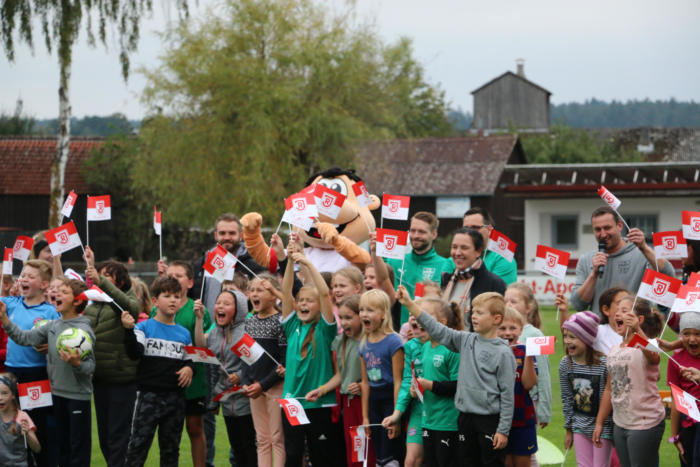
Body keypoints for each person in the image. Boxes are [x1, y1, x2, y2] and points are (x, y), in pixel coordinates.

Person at [398, 286, 516, 467]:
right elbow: (437, 329)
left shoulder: (504, 353)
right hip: (465, 418)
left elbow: (508, 395)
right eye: (473, 312)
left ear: (496, 319)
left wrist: (503, 430)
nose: (474, 316)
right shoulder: (466, 340)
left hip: (489, 421)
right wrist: (409, 304)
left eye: (480, 313)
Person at [1, 277, 95, 467]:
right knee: (61, 446)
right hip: (56, 394)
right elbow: (24, 338)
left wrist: (77, 363)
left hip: (77, 397)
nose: (57, 294)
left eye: (64, 292)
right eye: (57, 291)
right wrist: (4, 318)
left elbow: (90, 368)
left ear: (77, 301)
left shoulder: (83, 330)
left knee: (78, 448)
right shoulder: (52, 326)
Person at [121, 276, 195, 467]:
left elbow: (190, 360)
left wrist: (189, 368)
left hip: (175, 399)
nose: (173, 300)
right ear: (155, 301)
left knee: (171, 451)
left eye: (177, 296)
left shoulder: (184, 333)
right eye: (167, 295)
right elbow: (134, 353)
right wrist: (128, 331)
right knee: (138, 447)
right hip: (148, 396)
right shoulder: (143, 327)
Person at [281, 234, 340, 466]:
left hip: (319, 403)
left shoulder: (326, 330)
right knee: (293, 455)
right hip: (292, 402)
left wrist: (305, 262)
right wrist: (290, 260)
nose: (303, 304)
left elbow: (324, 292)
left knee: (320, 455)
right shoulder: (293, 325)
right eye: (301, 300)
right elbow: (286, 292)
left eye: (309, 301)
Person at [83, 248, 141, 467]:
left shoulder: (127, 297)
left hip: (121, 380)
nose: (103, 279)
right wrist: (90, 263)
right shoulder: (93, 303)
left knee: (119, 437)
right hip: (99, 380)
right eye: (101, 275)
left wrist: (103, 283)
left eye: (109, 276)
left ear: (121, 280)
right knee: (105, 437)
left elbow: (131, 308)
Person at [593, 295, 666, 467]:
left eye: (625, 311)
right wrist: (599, 422)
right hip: (621, 423)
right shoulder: (614, 350)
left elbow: (654, 356)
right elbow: (610, 389)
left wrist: (637, 331)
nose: (618, 314)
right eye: (617, 310)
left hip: (645, 422)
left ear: (639, 319)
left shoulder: (646, 346)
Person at [1, 259, 60, 467]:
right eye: (23, 275)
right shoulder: (10, 303)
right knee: (10, 423)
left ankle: (44, 462)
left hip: (37, 375)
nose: (24, 278)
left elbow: (60, 340)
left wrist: (50, 345)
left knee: (37, 425)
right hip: (11, 374)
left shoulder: (50, 312)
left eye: (31, 276)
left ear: (44, 284)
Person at [308, 295, 376, 467]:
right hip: (348, 404)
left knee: (368, 451)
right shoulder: (340, 342)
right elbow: (340, 375)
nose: (344, 323)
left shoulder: (370, 342)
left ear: (360, 317)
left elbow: (378, 374)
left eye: (349, 318)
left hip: (366, 402)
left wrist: (362, 385)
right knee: (354, 449)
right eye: (342, 318)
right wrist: (322, 390)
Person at [154, 261, 210, 467]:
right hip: (164, 382)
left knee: (195, 428)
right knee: (168, 432)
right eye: (170, 275)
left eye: (179, 276)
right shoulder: (156, 309)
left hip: (193, 382)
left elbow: (202, 348)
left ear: (190, 282)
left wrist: (198, 319)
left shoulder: (197, 308)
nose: (174, 279)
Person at [570, 206, 674, 315]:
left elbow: (668, 275)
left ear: (619, 226)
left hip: (634, 328)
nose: (603, 234)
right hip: (600, 329)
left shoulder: (641, 254)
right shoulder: (586, 259)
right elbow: (578, 305)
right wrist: (594, 274)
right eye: (598, 229)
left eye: (607, 228)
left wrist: (644, 248)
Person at [206, 289, 257, 466]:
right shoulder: (213, 334)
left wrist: (241, 376)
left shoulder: (247, 331)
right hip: (227, 402)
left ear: (239, 308)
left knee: (250, 448)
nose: (220, 306)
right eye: (218, 302)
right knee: (236, 448)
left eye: (227, 304)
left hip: (247, 400)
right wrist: (213, 401)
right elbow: (213, 369)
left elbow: (257, 363)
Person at [242, 275, 287, 467]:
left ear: (273, 294)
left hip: (275, 386)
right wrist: (246, 381)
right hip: (255, 389)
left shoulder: (281, 322)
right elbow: (246, 357)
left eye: (260, 290)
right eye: (252, 290)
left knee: (277, 437)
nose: (254, 294)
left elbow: (283, 363)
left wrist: (263, 384)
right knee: (262, 438)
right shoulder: (250, 322)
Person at [560, 311, 614, 467]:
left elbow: (607, 396)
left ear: (587, 339)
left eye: (573, 337)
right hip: (579, 426)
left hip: (603, 427)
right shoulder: (566, 364)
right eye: (565, 336)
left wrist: (601, 424)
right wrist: (569, 429)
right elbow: (567, 398)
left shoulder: (604, 365)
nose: (567, 341)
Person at [359, 289, 405, 466]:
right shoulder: (364, 342)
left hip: (390, 400)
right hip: (373, 402)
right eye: (362, 309)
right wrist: (365, 418)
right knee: (379, 453)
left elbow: (398, 381)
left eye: (370, 310)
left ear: (384, 314)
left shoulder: (394, 341)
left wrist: (396, 415)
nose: (364, 314)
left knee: (390, 453)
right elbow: (365, 383)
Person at [383, 212, 453, 326]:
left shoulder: (446, 265)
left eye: (421, 232)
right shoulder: (395, 261)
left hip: (430, 332)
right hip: (399, 333)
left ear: (434, 234)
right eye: (413, 230)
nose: (415, 236)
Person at [414, 298, 462, 467]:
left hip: (448, 422)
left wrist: (430, 385)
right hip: (429, 420)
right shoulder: (426, 347)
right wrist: (417, 389)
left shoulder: (453, 349)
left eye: (425, 315)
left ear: (442, 323)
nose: (419, 319)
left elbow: (459, 386)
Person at [382, 312, 430, 467]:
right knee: (410, 461)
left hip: (442, 412)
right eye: (410, 313)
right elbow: (407, 381)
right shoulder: (409, 346)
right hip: (419, 411)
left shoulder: (447, 345)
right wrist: (397, 414)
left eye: (419, 313)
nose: (414, 317)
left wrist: (428, 386)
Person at [504, 283, 552, 434]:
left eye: (514, 301)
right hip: (506, 398)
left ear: (529, 307)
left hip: (529, 400)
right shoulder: (500, 331)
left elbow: (544, 374)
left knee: (527, 451)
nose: (508, 304)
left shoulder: (535, 335)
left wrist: (544, 409)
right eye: (505, 301)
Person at [497, 307, 538, 467]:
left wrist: (528, 357)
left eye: (513, 328)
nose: (508, 333)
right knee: (504, 462)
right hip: (498, 421)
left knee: (522, 462)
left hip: (523, 418)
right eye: (502, 328)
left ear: (521, 330)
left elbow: (528, 384)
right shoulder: (492, 351)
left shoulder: (525, 351)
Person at [441, 228, 507, 322]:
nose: (457, 253)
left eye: (464, 248)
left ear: (478, 252)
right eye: (454, 247)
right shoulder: (446, 280)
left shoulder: (493, 283)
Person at [667, 312, 700, 466]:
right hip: (687, 423)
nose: (692, 339)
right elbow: (675, 401)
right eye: (687, 333)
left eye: (698, 334)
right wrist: (675, 436)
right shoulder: (676, 360)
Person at [463, 207, 517, 285]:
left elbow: (495, 294)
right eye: (465, 229)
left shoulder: (503, 258)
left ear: (489, 229)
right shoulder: (456, 257)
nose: (468, 233)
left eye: (475, 228)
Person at [0, 372, 41, 466]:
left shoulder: (22, 417)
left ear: (13, 395)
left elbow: (37, 449)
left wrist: (27, 434)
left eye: (4, 393)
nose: (0, 398)